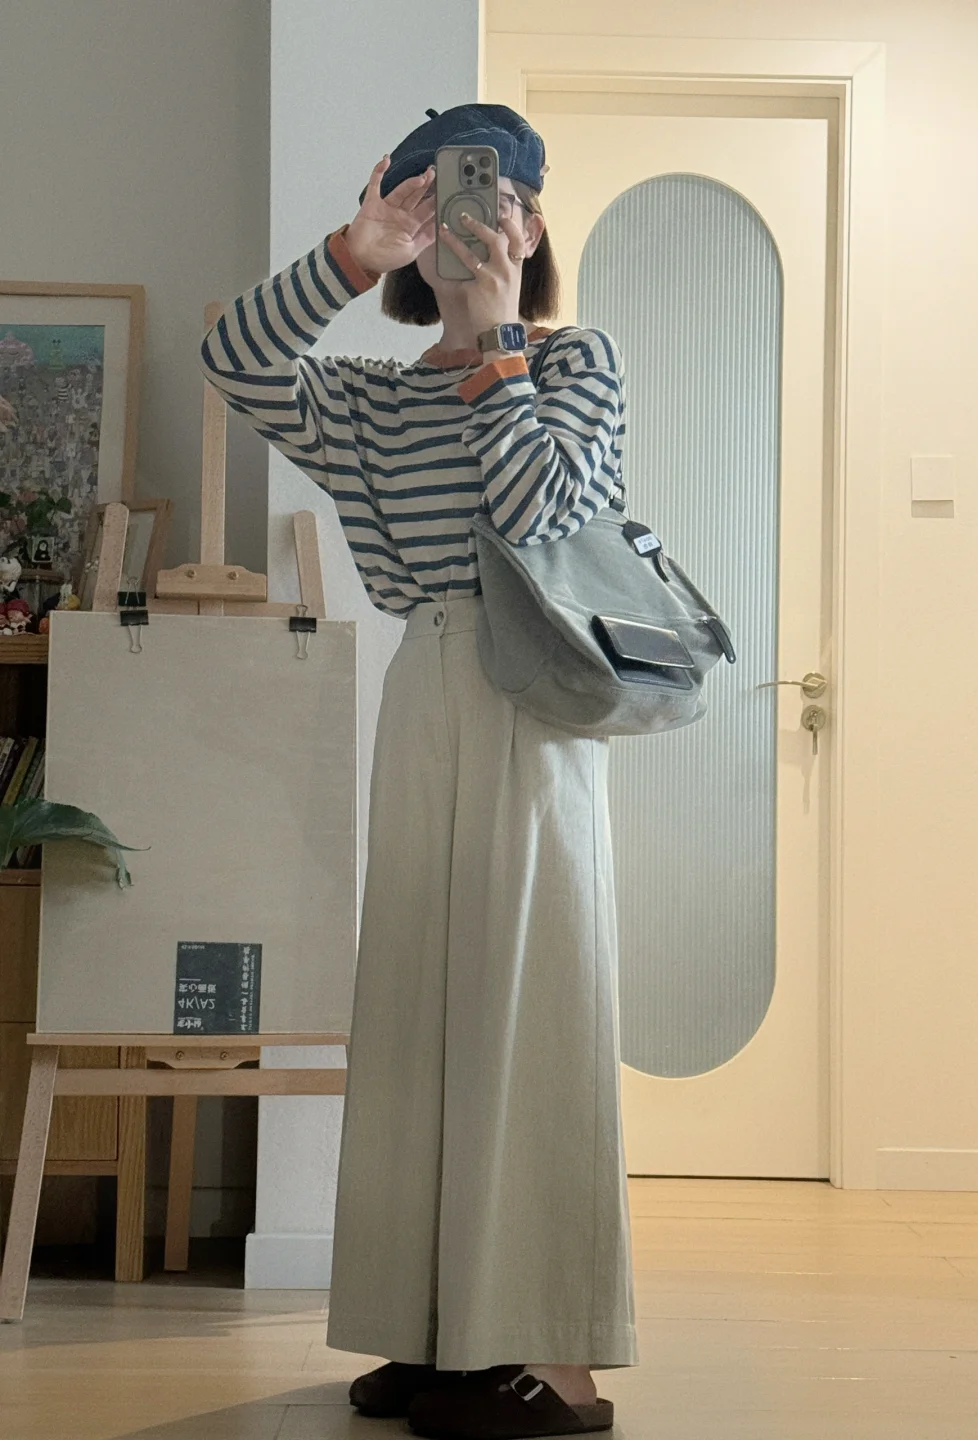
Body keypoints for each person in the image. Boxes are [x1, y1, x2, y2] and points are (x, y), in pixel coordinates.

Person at [201, 104, 635, 1440]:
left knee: (531, 1014)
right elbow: (231, 357)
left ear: (533, 223)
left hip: (534, 696)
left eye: (492, 197)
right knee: (416, 1018)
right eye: (434, 197)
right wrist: (350, 252)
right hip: (427, 685)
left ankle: (553, 1362)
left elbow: (541, 517)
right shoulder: (368, 398)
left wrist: (498, 347)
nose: (466, 221)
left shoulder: (575, 365)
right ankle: (441, 1330)